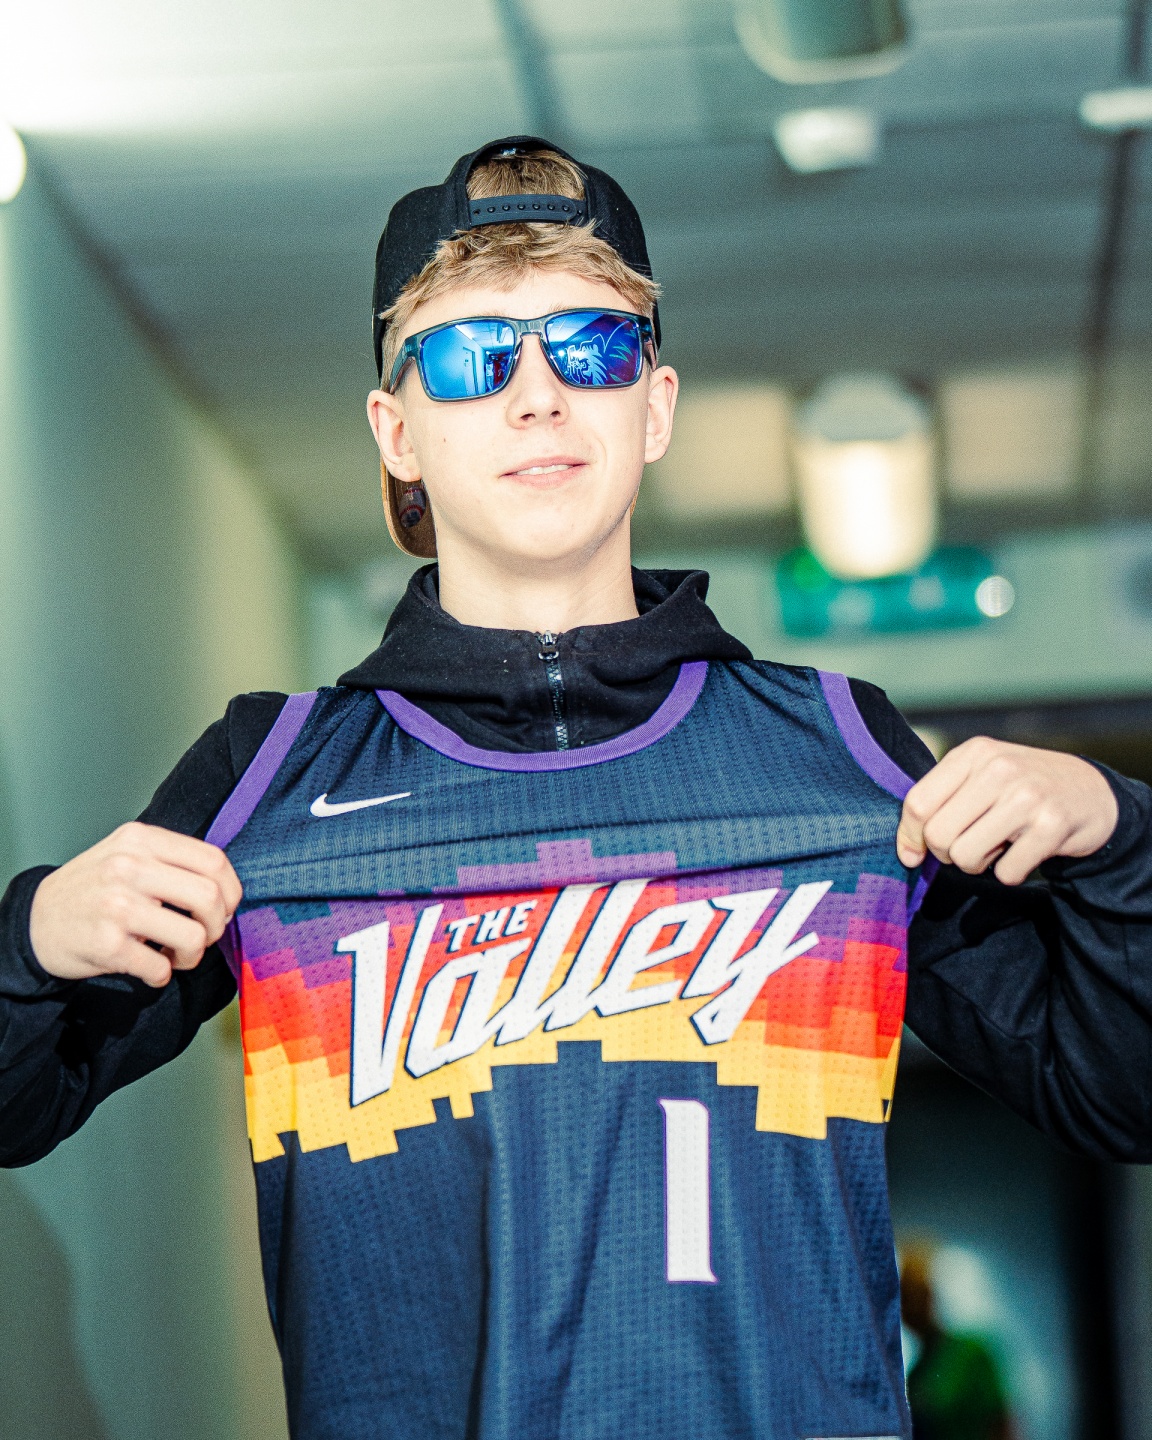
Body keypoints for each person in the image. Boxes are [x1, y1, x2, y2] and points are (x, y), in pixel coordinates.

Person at [0, 136, 1148, 1440]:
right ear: (397, 431)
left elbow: (1120, 1093)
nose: (538, 395)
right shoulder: (269, 778)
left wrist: (1118, 837)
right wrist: (30, 942)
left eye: (591, 346)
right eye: (470, 356)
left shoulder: (836, 751)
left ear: (653, 407)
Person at [900, 1248, 1013, 1440]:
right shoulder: (916, 1373)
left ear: (929, 1297)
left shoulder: (971, 1352)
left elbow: (1001, 1424)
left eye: (914, 1297)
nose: (909, 1309)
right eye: (904, 1301)